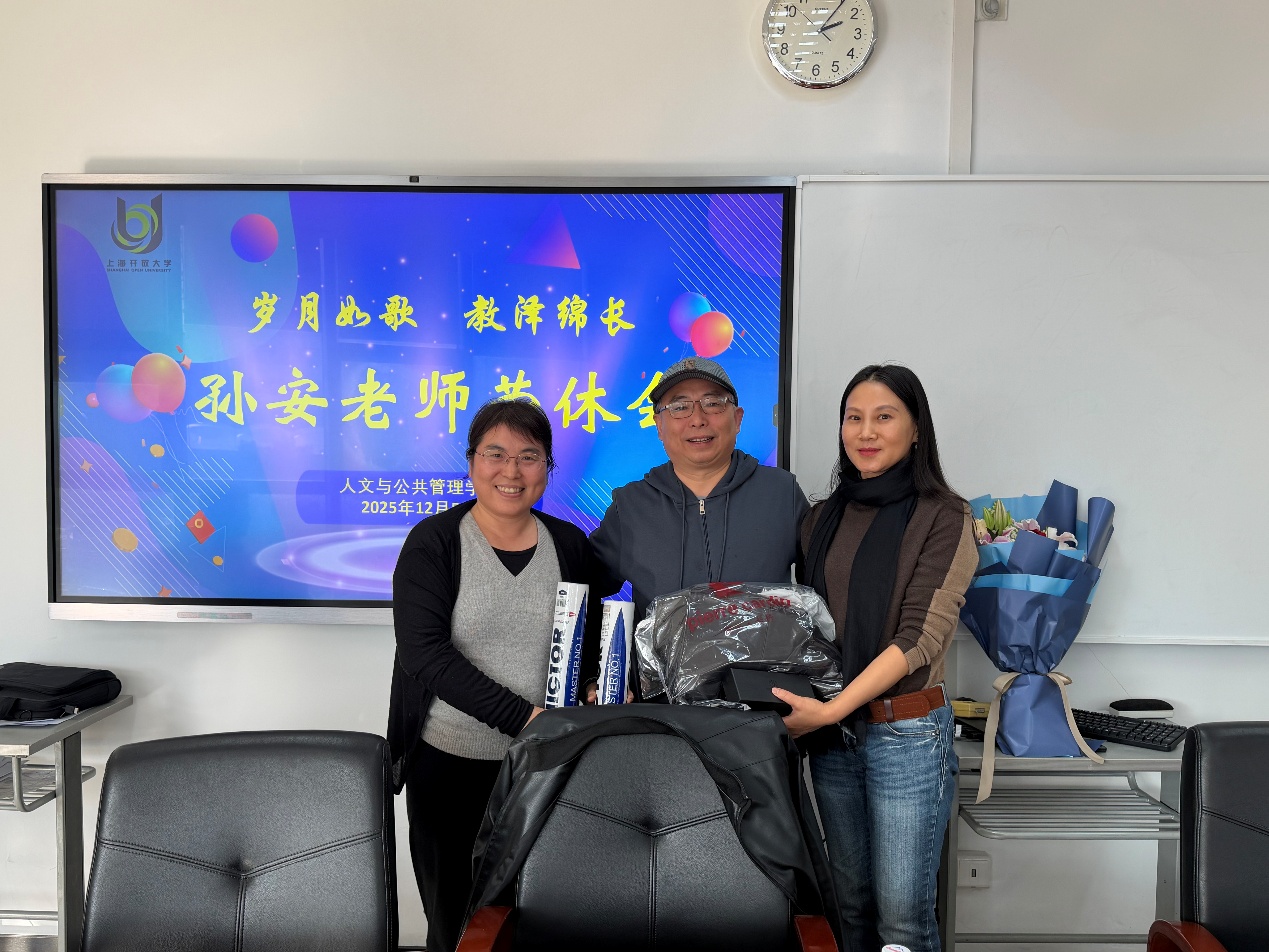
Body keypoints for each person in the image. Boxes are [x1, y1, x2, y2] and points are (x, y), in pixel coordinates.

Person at [387, 398, 614, 952]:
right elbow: (424, 654)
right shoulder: (435, 543)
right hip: (450, 767)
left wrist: (597, 682)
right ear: (471, 462)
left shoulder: (569, 544)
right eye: (496, 454)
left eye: (529, 457)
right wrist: (526, 718)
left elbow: (588, 635)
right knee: (457, 924)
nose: (511, 471)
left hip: (547, 767)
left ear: (547, 469)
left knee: (543, 918)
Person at [774, 364, 977, 952]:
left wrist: (832, 709)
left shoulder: (946, 516)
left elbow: (920, 639)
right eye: (854, 417)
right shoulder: (821, 518)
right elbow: (812, 627)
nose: (866, 431)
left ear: (916, 430)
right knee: (849, 910)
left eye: (884, 417)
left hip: (906, 735)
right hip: (834, 740)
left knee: (903, 922)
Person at [590, 356, 809, 621]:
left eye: (713, 403)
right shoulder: (630, 506)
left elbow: (827, 586)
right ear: (659, 425)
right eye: (680, 407)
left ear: (737, 419)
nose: (697, 419)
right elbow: (579, 587)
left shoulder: (782, 493)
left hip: (766, 651)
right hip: (659, 651)